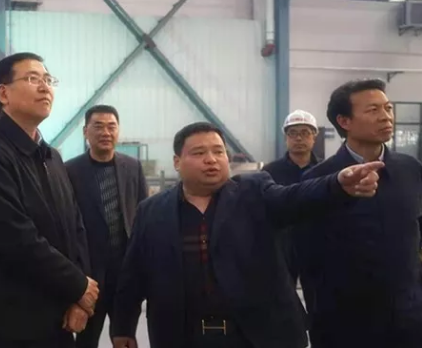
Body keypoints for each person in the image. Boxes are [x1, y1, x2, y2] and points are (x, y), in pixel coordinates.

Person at [111, 122, 383, 348]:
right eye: (199, 152)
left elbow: (295, 197)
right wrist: (122, 326)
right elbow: (134, 272)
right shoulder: (152, 210)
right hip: (182, 336)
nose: (211, 159)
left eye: (218, 151)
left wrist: (337, 184)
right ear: (177, 162)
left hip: (256, 335)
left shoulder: (255, 191)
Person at [0, 52, 99, 348]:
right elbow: (14, 238)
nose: (45, 87)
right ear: (3, 94)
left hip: (59, 319)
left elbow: (76, 228)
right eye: (33, 79)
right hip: (10, 325)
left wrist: (79, 299)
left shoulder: (51, 157)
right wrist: (77, 285)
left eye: (48, 80)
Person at [296, 79, 422, 348]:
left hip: (408, 320)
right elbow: (306, 258)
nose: (386, 116)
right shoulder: (320, 180)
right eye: (373, 110)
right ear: (344, 121)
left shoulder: (410, 169)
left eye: (388, 108)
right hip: (345, 325)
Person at [65, 105, 148, 348]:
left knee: (125, 336)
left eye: (111, 127)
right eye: (98, 126)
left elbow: (144, 214)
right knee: (86, 338)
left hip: (125, 271)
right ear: (85, 132)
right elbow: (66, 221)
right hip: (89, 274)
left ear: (118, 131)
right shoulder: (70, 170)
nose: (105, 132)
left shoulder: (132, 167)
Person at [262, 109, 319, 286]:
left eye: (305, 133)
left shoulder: (325, 170)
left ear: (314, 137)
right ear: (286, 138)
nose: (299, 138)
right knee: (282, 293)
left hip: (316, 243)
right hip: (282, 243)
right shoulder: (270, 172)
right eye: (292, 133)